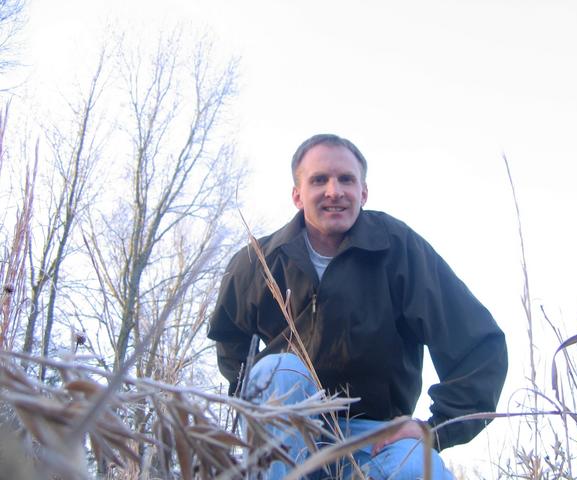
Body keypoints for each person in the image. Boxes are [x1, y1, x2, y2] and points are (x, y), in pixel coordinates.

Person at [208, 134, 508, 479]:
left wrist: (435, 428)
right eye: (319, 179)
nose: (334, 191)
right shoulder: (258, 261)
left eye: (346, 179)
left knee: (419, 470)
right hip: (289, 434)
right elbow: (230, 341)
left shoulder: (398, 250)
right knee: (275, 371)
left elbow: (477, 343)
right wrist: (257, 406)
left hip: (377, 437)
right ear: (297, 195)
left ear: (363, 192)